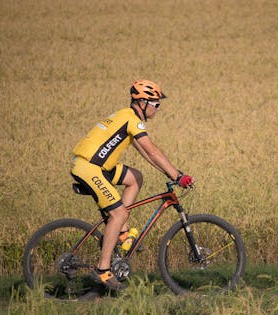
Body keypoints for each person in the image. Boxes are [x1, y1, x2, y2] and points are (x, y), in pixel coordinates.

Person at [71, 80, 194, 290]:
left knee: (136, 177)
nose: (158, 109)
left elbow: (145, 152)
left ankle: (121, 233)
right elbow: (152, 150)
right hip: (90, 168)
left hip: (100, 166)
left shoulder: (126, 115)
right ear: (142, 102)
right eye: (156, 104)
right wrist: (177, 175)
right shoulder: (132, 120)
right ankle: (102, 270)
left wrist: (167, 172)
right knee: (118, 214)